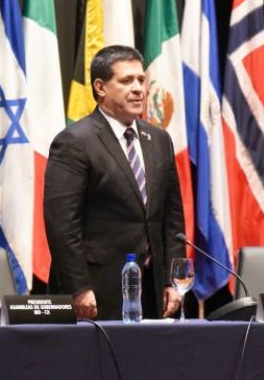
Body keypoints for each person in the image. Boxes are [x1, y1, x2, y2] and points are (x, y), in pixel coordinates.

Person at [44, 45, 184, 320]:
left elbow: (172, 219)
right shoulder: (74, 141)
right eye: (126, 80)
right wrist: (78, 288)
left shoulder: (159, 140)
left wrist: (173, 280)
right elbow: (62, 226)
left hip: (153, 288)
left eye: (141, 80)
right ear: (100, 87)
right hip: (97, 291)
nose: (138, 89)